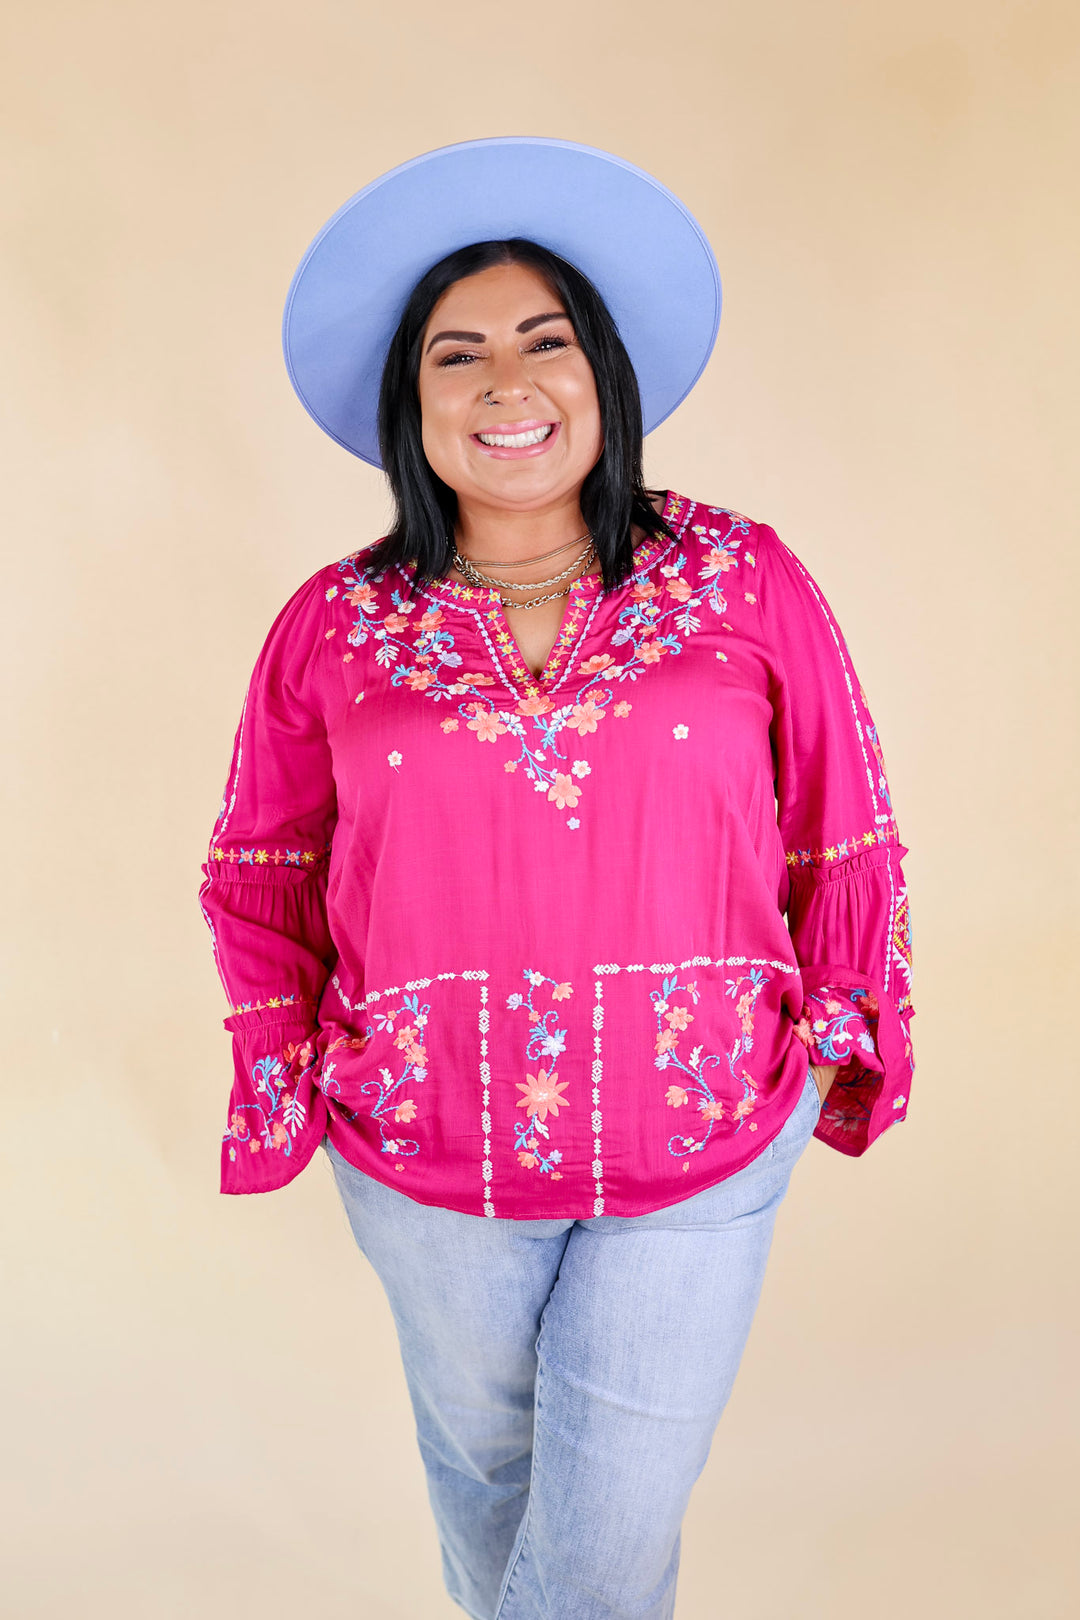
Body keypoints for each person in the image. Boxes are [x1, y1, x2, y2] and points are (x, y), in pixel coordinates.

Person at [198, 138, 915, 1620]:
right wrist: (295, 1068)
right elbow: (259, 869)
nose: (505, 383)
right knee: (496, 1501)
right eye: (457, 355)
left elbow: (843, 824)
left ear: (606, 376)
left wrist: (834, 1031)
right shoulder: (332, 626)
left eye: (547, 341)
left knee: (595, 1547)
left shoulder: (743, 578)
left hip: (703, 1133)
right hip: (423, 1154)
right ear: (412, 404)